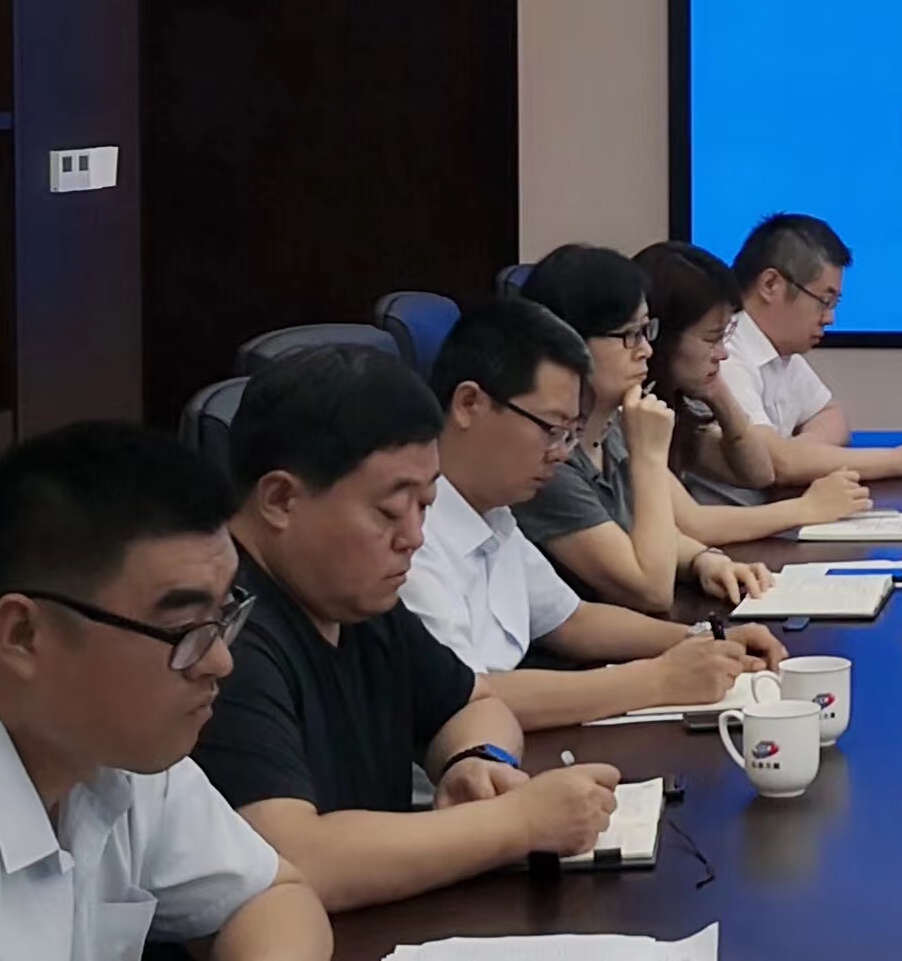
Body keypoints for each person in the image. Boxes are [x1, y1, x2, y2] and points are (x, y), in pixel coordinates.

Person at [0, 424, 444, 961]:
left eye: (225, 616)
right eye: (184, 629)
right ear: (24, 634)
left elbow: (272, 893)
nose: (220, 660)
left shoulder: (112, 749)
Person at [193, 346, 624, 912]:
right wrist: (517, 822)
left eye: (425, 506)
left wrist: (476, 761)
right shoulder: (220, 640)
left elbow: (476, 702)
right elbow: (290, 859)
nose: (415, 537)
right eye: (391, 512)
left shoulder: (355, 600)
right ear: (281, 499)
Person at [403, 298, 791, 729]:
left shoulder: (493, 512)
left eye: (570, 434)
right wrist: (659, 680)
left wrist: (705, 640)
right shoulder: (407, 537)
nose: (560, 454)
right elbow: (466, 694)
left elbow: (572, 620)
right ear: (469, 404)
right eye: (551, 430)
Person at [514, 244, 775, 614]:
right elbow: (650, 590)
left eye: (645, 331)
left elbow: (643, 534)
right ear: (568, 340)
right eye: (630, 336)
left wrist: (704, 561)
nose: (646, 351)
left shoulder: (609, 427)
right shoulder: (549, 461)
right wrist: (649, 457)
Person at [699, 212, 902, 488]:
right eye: (824, 301)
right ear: (770, 285)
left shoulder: (780, 350)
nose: (829, 319)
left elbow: (830, 415)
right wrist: (901, 460)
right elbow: (772, 463)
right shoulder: (724, 353)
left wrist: (799, 453)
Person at [634, 239, 881, 537]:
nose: (722, 354)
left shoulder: (679, 406)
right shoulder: (630, 413)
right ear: (659, 338)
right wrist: (807, 508)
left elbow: (758, 473)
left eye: (724, 338)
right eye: (711, 339)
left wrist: (718, 393)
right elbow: (693, 524)